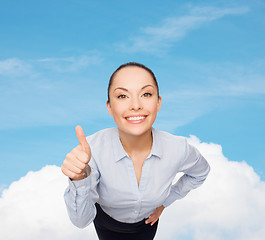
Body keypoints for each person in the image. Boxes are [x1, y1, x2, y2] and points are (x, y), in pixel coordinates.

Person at [61, 62, 210, 240]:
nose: (136, 105)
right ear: (109, 107)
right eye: (123, 96)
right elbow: (81, 220)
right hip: (106, 223)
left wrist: (165, 202)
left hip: (146, 224)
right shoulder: (92, 151)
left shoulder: (178, 149)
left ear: (158, 102)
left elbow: (200, 173)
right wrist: (79, 179)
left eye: (146, 94)